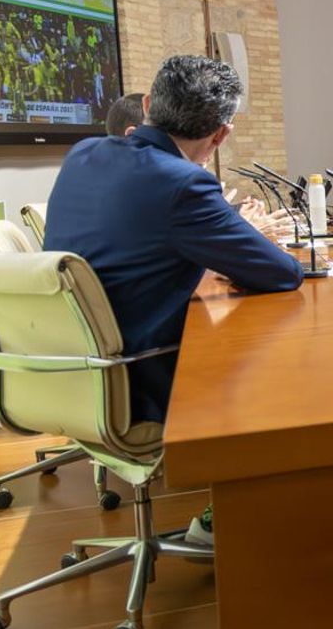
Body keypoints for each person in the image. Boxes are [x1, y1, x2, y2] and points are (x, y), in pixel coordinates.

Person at [47, 57, 304, 545]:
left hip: (68, 367)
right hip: (137, 373)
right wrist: (235, 237)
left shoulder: (82, 153)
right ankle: (222, 522)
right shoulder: (183, 183)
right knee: (276, 366)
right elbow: (282, 273)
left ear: (147, 106)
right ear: (221, 135)